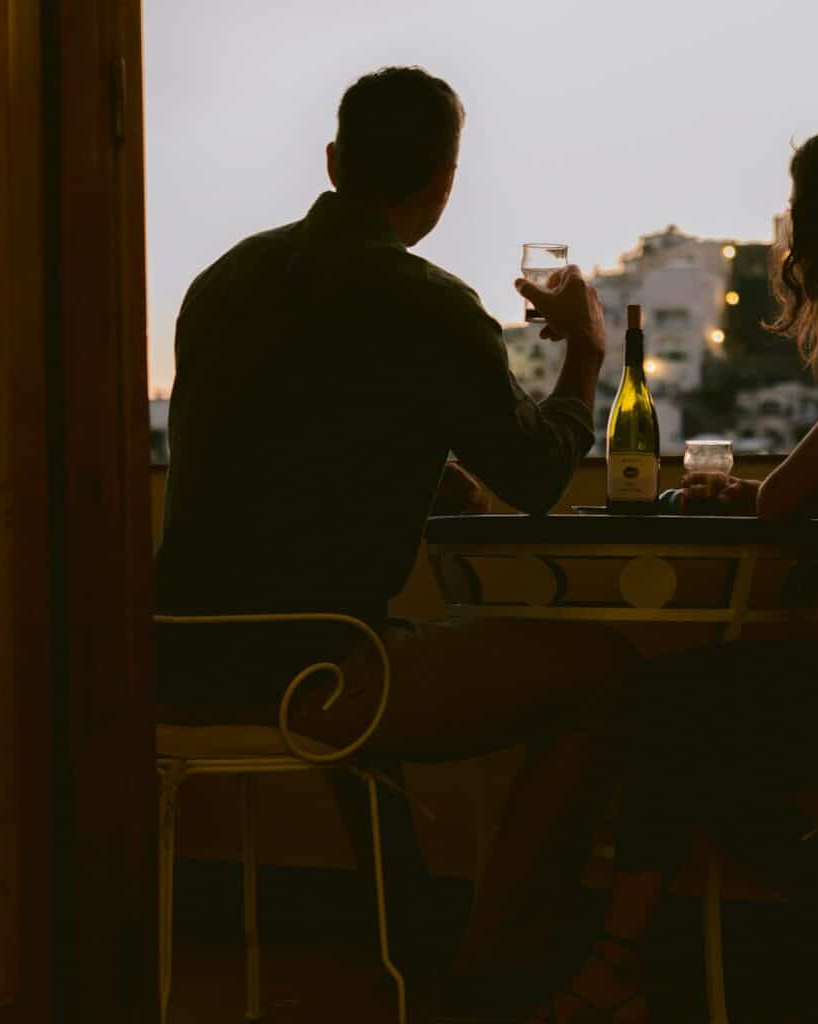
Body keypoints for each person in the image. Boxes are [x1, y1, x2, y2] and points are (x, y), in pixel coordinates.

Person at [153, 65, 637, 1014]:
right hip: (324, 669)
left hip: (179, 656)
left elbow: (291, 443)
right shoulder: (429, 303)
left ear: (333, 161)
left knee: (371, 658)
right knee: (605, 669)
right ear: (444, 181)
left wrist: (427, 468)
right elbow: (538, 477)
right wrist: (583, 348)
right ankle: (488, 969)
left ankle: (412, 934)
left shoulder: (225, 282)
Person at [520, 122, 818, 1023]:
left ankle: (624, 964)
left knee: (669, 707)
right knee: (700, 734)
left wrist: (727, 496)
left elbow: (783, 499)